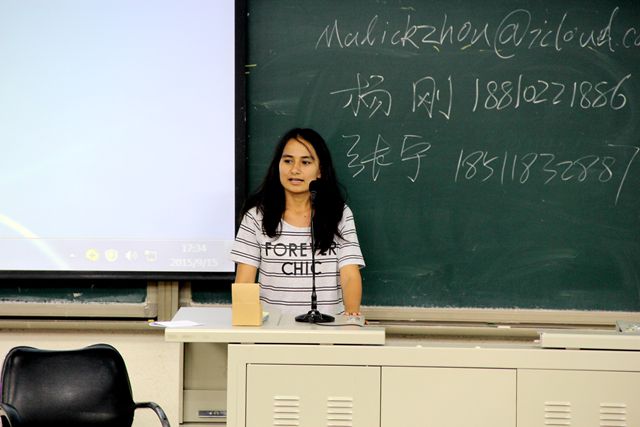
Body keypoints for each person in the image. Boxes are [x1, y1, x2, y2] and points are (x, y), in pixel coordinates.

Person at [230, 128, 364, 316]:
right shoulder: (256, 216)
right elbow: (244, 281)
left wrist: (352, 316)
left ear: (320, 170)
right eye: (288, 161)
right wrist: (245, 323)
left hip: (328, 327)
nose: (294, 169)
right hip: (272, 329)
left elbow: (349, 275)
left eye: (305, 162)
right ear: (278, 165)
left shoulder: (339, 214)